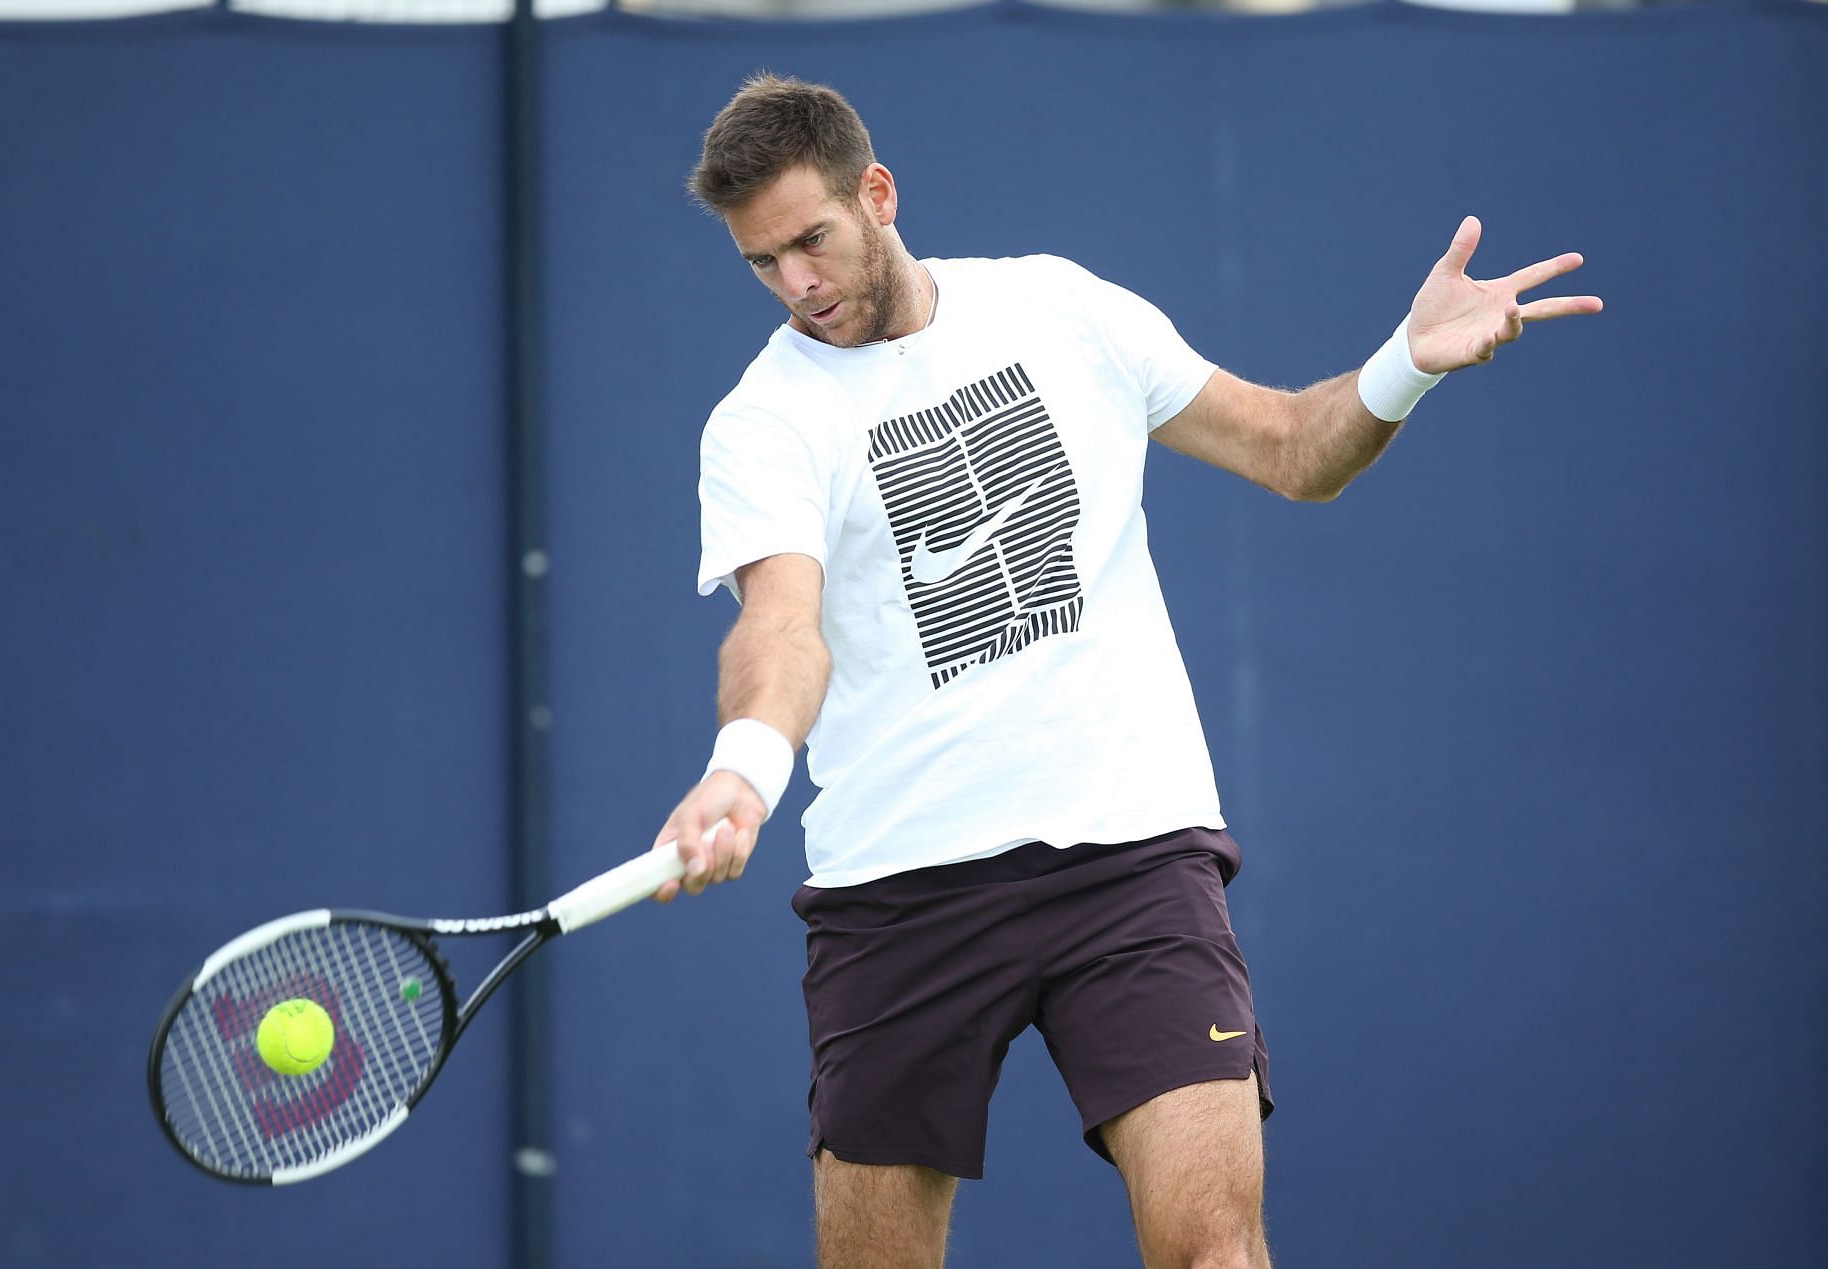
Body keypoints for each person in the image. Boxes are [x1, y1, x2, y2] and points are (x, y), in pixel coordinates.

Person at [649, 73, 1600, 1269]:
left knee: (1217, 1251)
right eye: (762, 263)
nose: (798, 286)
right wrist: (743, 767)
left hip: (1133, 862)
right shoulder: (762, 423)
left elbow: (1292, 449)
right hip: (901, 888)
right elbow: (785, 626)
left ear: (877, 194)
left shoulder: (1061, 309)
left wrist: (1404, 364)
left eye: (812, 241)